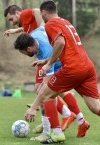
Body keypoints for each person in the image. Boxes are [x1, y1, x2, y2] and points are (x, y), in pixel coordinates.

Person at [4, 4, 87, 142]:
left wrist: (33, 108)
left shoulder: (44, 51)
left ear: (29, 49)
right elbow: (42, 24)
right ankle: (74, 119)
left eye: (22, 52)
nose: (23, 55)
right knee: (47, 91)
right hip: (56, 60)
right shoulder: (35, 33)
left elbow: (46, 85)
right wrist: (16, 30)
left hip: (60, 62)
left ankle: (54, 128)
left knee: (46, 92)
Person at [24, 0, 100, 144]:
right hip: (87, 66)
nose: (43, 18)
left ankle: (57, 134)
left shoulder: (51, 24)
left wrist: (49, 64)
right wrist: (46, 61)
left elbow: (60, 43)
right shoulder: (66, 22)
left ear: (44, 13)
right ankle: (77, 121)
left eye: (42, 15)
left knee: (46, 94)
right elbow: (66, 49)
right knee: (95, 107)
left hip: (73, 68)